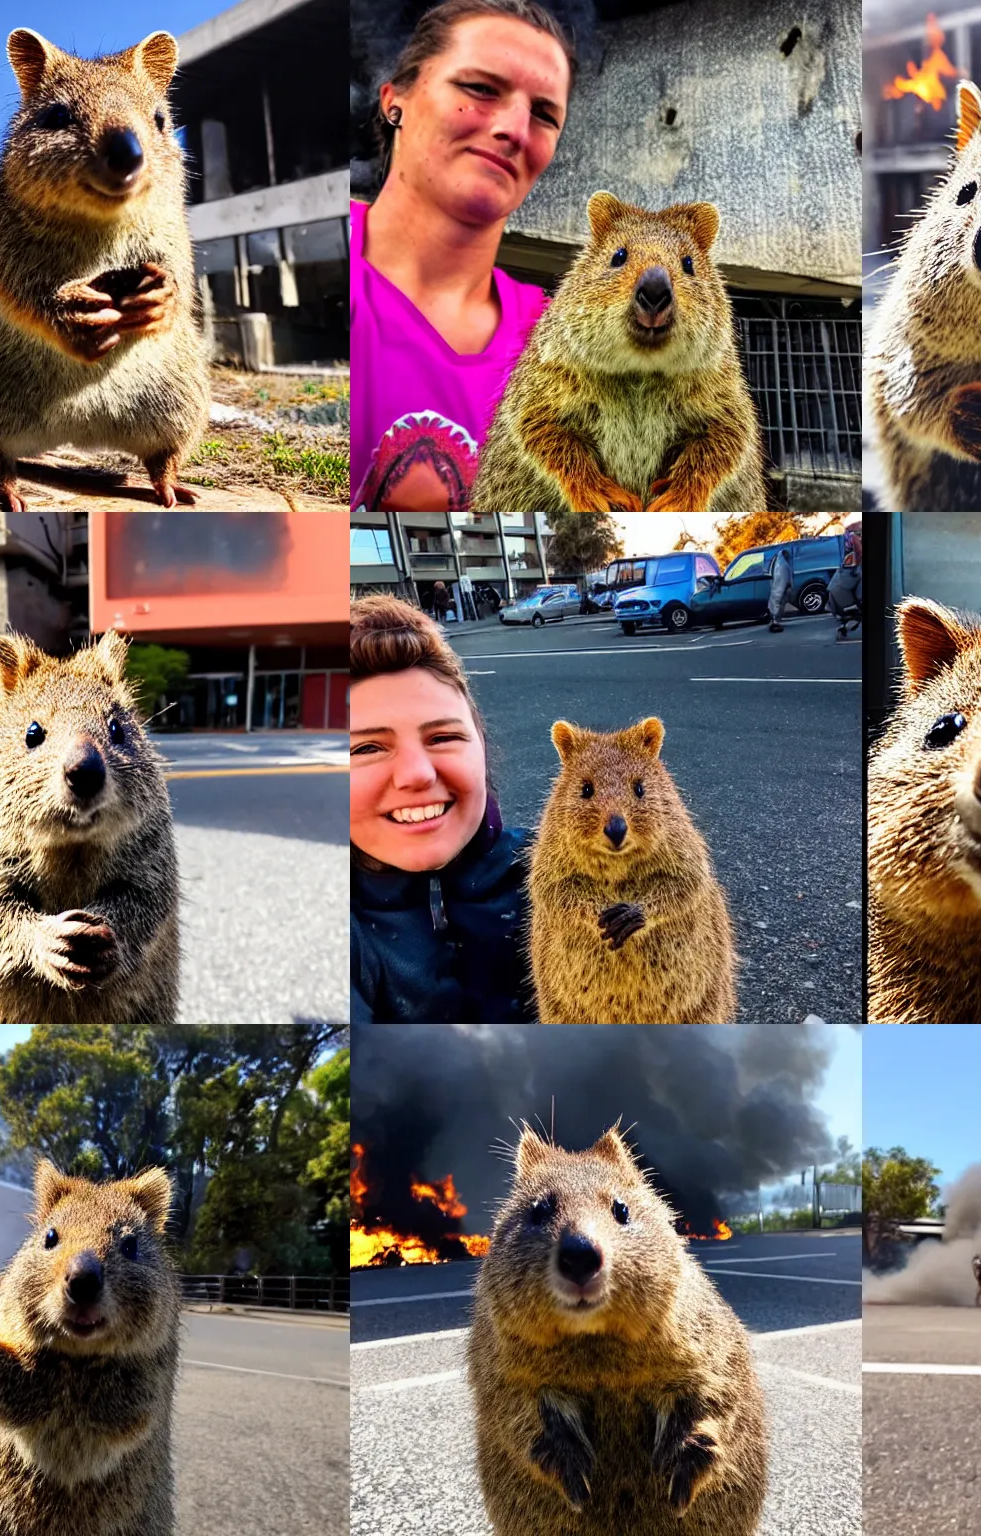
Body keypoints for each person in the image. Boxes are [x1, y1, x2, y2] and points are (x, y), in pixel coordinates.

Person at [351, 0, 578, 512]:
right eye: (480, 89)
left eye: (544, 114)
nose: (516, 129)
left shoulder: (565, 342)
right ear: (395, 102)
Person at [351, 595, 534, 1023]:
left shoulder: (567, 871)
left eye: (442, 738)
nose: (417, 774)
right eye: (366, 747)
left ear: (482, 747)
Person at [828, 519, 862, 639]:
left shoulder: (848, 538)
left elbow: (858, 553)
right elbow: (858, 552)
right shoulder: (852, 537)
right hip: (851, 572)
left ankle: (847, 622)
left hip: (849, 573)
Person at [767, 545, 793, 633]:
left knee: (776, 603)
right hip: (780, 589)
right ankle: (775, 621)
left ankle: (775, 620)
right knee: (778, 603)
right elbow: (784, 578)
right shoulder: (783, 566)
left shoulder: (779, 564)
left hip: (778, 588)